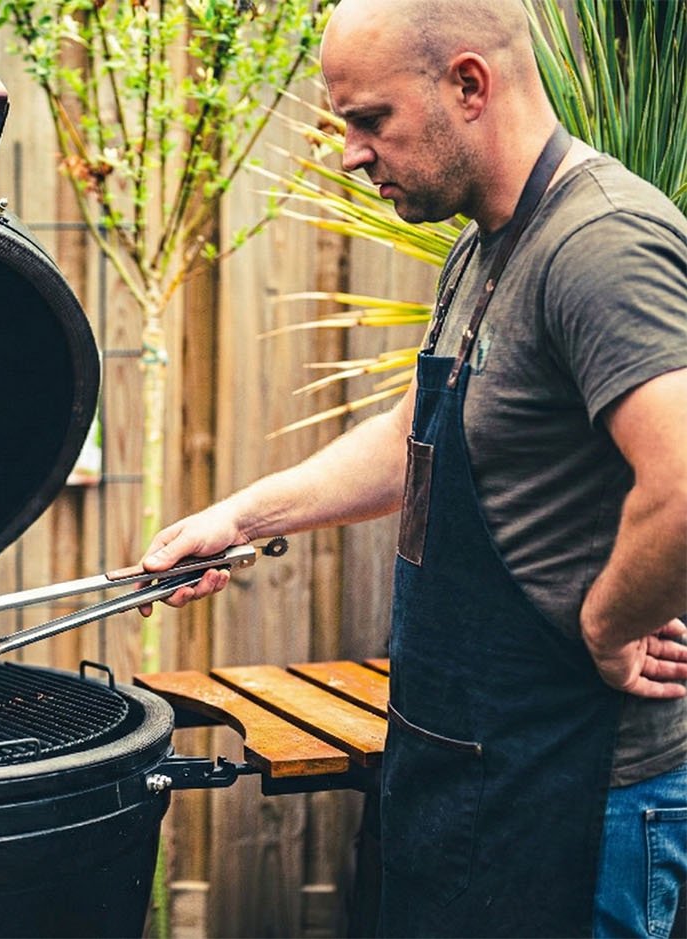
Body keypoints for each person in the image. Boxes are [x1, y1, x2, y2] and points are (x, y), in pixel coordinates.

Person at [139, 0, 687, 934]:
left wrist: (607, 621)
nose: (351, 151)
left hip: (581, 794)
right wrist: (244, 517)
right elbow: (417, 438)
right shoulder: (484, 244)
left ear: (469, 84)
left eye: (369, 119)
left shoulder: (601, 244)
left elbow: (681, 481)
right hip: (467, 768)